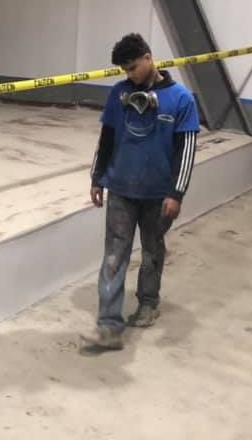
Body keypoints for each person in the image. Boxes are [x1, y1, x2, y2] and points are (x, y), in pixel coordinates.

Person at [81, 33, 199, 351]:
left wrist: (177, 193)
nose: (129, 75)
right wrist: (97, 178)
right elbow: (106, 138)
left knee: (151, 252)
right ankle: (109, 325)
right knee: (114, 256)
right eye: (125, 70)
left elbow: (186, 150)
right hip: (120, 189)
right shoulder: (119, 94)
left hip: (158, 196)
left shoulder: (180, 99)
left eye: (133, 67)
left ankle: (148, 302)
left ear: (148, 58)